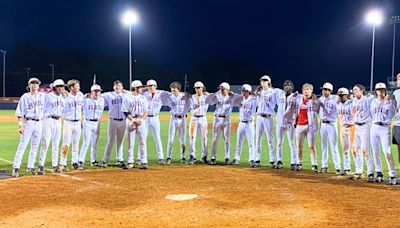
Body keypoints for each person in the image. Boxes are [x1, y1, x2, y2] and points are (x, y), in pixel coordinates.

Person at [12, 77, 46, 177]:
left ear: (39, 86)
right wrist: (20, 126)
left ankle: (31, 166)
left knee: (35, 146)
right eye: (32, 83)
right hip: (28, 123)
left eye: (36, 84)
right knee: (22, 145)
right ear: (29, 86)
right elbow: (19, 113)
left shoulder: (42, 96)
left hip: (39, 123)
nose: (34, 85)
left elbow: (55, 92)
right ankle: (16, 167)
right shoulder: (25, 97)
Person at [205, 82, 241, 165]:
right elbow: (208, 101)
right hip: (217, 119)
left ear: (227, 89)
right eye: (220, 89)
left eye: (222, 89)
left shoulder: (233, 96)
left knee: (227, 139)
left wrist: (233, 93)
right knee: (215, 139)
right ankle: (213, 157)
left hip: (226, 120)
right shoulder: (217, 95)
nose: (221, 90)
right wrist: (214, 94)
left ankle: (227, 157)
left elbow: (242, 97)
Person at [369, 82, 397, 185]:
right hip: (374, 127)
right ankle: (379, 173)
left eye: (382, 89)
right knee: (375, 152)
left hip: (385, 128)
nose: (380, 91)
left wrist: (391, 100)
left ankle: (392, 175)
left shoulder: (390, 102)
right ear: (376, 91)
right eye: (378, 90)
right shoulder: (372, 101)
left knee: (387, 152)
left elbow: (395, 112)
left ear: (385, 90)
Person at [38, 79, 66, 175]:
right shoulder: (48, 96)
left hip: (58, 121)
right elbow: (41, 107)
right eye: (60, 86)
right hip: (48, 120)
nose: (62, 88)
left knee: (56, 144)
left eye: (63, 86)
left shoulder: (63, 98)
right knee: (45, 143)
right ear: (55, 88)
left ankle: (55, 165)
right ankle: (41, 165)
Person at [161, 81, 192, 164]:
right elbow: (161, 94)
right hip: (173, 118)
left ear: (178, 89)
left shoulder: (185, 96)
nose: (173, 91)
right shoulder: (170, 96)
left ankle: (183, 157)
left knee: (183, 140)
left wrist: (189, 95)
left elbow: (191, 103)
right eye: (172, 90)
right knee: (171, 139)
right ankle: (168, 157)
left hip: (183, 119)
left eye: (174, 90)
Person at [121, 80, 149, 169]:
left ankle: (144, 161)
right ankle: (130, 162)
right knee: (130, 142)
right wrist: (133, 120)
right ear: (135, 88)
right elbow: (125, 111)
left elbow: (146, 111)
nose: (142, 89)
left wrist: (141, 119)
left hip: (141, 120)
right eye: (140, 87)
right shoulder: (127, 97)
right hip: (131, 120)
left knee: (143, 142)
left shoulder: (143, 98)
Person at [350, 84, 375, 182]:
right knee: (356, 149)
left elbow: (376, 98)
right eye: (353, 90)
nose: (354, 91)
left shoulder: (368, 99)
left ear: (362, 91)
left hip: (365, 126)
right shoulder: (353, 100)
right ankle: (359, 171)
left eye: (356, 90)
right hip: (356, 126)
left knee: (365, 149)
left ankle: (370, 172)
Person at [77, 84, 105, 169]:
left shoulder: (102, 100)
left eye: (98, 91)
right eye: (95, 91)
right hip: (87, 123)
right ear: (91, 92)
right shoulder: (86, 100)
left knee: (94, 143)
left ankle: (93, 160)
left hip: (97, 122)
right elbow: (78, 106)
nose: (97, 93)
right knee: (86, 142)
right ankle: (81, 160)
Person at [294, 83, 319, 172]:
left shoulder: (314, 100)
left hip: (310, 126)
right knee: (299, 146)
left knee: (311, 146)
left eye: (308, 89)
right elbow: (296, 110)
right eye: (304, 89)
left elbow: (317, 107)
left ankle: (314, 164)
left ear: (311, 91)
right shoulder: (298, 100)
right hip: (299, 125)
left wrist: (314, 99)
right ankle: (299, 163)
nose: (306, 91)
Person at [230, 84, 257, 167]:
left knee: (251, 143)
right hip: (241, 123)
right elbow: (233, 96)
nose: (241, 92)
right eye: (241, 91)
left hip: (249, 123)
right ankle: (236, 159)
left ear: (248, 92)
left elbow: (260, 97)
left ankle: (252, 159)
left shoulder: (254, 100)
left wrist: (255, 93)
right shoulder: (240, 99)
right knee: (238, 142)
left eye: (243, 91)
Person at [101, 80, 127, 167]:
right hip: (112, 120)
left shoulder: (126, 95)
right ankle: (105, 160)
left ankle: (120, 159)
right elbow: (97, 95)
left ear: (122, 87)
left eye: (119, 85)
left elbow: (136, 93)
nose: (117, 87)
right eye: (116, 85)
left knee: (120, 141)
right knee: (111, 140)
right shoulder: (109, 95)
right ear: (113, 87)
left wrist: (125, 91)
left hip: (123, 120)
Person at [318, 82, 342, 175]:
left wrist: (323, 106)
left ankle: (338, 167)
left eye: (326, 90)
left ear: (330, 91)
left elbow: (332, 111)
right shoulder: (320, 99)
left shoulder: (335, 99)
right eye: (323, 89)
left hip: (332, 124)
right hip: (323, 124)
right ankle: (324, 166)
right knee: (324, 146)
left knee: (334, 146)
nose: (324, 91)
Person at [60, 79, 84, 171]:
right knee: (66, 144)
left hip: (77, 122)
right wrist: (62, 91)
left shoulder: (81, 95)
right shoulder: (65, 96)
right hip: (68, 122)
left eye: (78, 86)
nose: (78, 87)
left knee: (76, 144)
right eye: (77, 86)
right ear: (71, 87)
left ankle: (75, 162)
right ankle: (63, 162)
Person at [254, 75, 277, 168]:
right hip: (259, 116)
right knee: (258, 139)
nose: (263, 82)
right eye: (262, 81)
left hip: (268, 117)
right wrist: (258, 95)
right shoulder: (259, 92)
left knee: (270, 139)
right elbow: (257, 104)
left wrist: (264, 98)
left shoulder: (272, 92)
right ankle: (257, 159)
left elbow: (272, 106)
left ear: (269, 82)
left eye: (265, 81)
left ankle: (272, 160)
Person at [275, 80, 298, 170]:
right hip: (280, 122)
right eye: (285, 86)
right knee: (279, 142)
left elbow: (297, 110)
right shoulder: (280, 95)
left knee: (292, 143)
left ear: (292, 87)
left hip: (290, 123)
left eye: (289, 86)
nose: (287, 87)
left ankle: (293, 162)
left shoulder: (295, 97)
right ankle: (279, 160)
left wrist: (296, 121)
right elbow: (270, 88)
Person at [142, 79, 166, 164]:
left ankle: (161, 157)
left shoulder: (161, 93)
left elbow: (173, 93)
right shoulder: (143, 94)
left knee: (157, 138)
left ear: (156, 86)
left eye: (153, 85)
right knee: (142, 138)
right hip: (145, 117)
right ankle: (141, 158)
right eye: (149, 85)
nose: (152, 87)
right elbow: (132, 92)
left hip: (155, 117)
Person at [188, 81, 210, 164]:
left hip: (203, 118)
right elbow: (190, 108)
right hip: (194, 119)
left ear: (202, 88)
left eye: (199, 88)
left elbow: (217, 97)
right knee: (192, 137)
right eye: (196, 88)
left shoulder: (207, 97)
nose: (197, 90)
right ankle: (192, 156)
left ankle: (204, 156)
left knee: (204, 138)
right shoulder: (191, 97)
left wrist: (209, 94)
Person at [336, 87, 355, 175]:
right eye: (339, 95)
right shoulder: (338, 104)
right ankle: (347, 168)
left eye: (342, 95)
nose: (340, 97)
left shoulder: (352, 103)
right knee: (344, 149)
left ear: (346, 95)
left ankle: (359, 168)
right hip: (342, 127)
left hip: (351, 127)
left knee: (354, 149)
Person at [392, 73, 400, 169]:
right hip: (398, 124)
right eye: (397, 78)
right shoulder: (395, 93)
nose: (397, 80)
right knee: (399, 151)